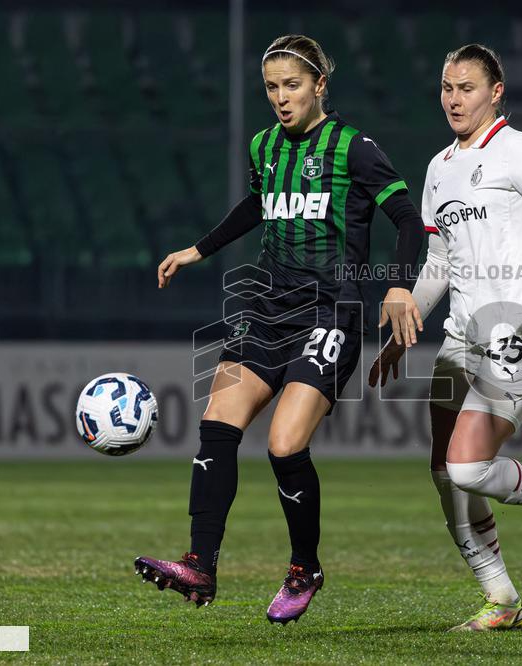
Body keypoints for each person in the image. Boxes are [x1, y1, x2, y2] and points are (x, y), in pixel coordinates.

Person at [135, 34, 425, 625]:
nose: (281, 98)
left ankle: (304, 568)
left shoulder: (355, 148)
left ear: (320, 85)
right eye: (272, 87)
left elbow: (408, 219)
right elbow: (257, 204)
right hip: (268, 308)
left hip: (331, 311)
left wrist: (398, 286)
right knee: (218, 424)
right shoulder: (265, 145)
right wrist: (197, 249)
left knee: (285, 444)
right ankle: (200, 564)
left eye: (292, 85)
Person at [369, 43, 522, 632]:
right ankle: (502, 598)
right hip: (461, 334)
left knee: (468, 468)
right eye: (446, 87)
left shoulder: (521, 151)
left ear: (496, 92)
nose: (453, 98)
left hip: (519, 325)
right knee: (446, 476)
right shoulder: (439, 167)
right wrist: (404, 325)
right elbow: (439, 260)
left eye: (465, 87)